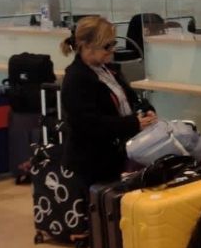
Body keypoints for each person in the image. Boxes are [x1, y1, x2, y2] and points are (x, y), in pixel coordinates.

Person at [60, 16, 157, 185]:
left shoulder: (108, 70)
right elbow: (88, 124)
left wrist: (147, 110)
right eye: (107, 46)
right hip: (93, 163)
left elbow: (131, 99)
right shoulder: (76, 79)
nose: (112, 50)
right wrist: (132, 124)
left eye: (113, 44)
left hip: (116, 157)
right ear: (88, 46)